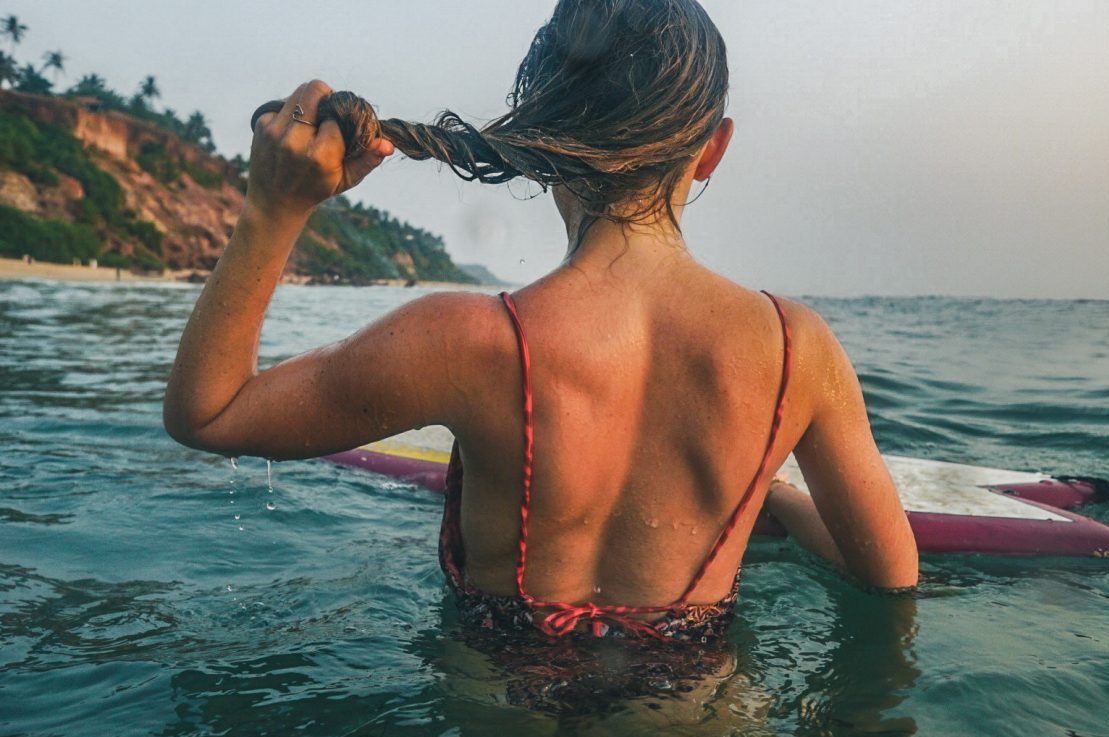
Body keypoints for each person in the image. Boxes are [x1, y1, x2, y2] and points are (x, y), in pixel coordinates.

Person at [164, 0, 918, 644]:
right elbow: (890, 575)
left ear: (545, 134)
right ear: (712, 150)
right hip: (699, 721)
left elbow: (210, 414)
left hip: (503, 713)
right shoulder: (793, 349)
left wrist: (272, 210)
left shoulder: (460, 341)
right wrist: (774, 493)